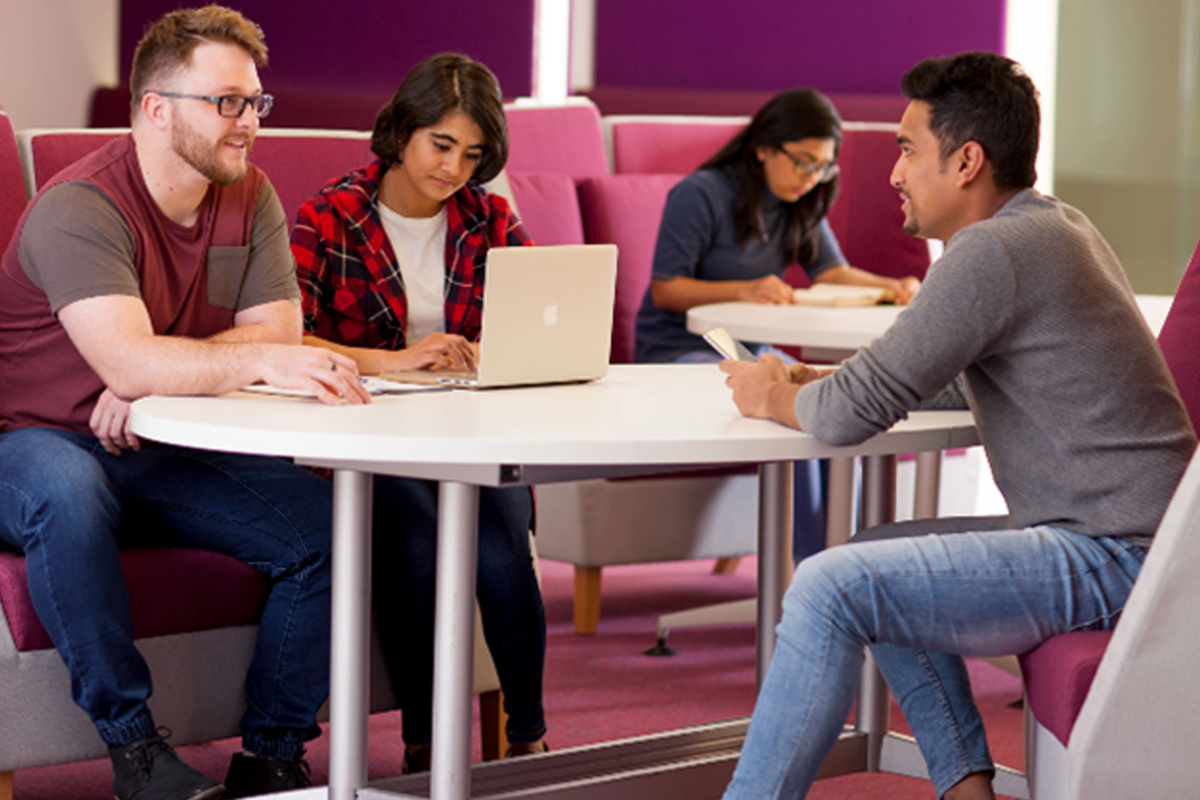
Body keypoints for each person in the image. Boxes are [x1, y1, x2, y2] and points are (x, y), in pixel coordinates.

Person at [718, 52, 1196, 800]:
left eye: (908, 150)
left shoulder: (992, 250)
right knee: (872, 555)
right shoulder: (1051, 225)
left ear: (967, 161)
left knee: (829, 587)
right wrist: (807, 380)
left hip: (1116, 555)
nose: (894, 174)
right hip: (1141, 543)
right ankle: (968, 792)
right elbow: (943, 380)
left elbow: (846, 418)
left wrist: (763, 394)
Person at [0, 7, 372, 800]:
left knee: (332, 527)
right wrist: (171, 364)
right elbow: (151, 357)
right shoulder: (80, 206)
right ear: (156, 108)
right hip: (31, 441)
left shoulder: (249, 193)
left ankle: (271, 755)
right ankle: (134, 751)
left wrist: (152, 372)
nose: (249, 123)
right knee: (68, 491)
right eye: (226, 102)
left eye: (255, 102)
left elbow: (275, 330)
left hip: (151, 444)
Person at [290, 52, 547, 772]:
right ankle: (425, 744)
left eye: (473, 154)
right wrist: (397, 360)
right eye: (441, 145)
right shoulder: (328, 216)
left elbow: (539, 321)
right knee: (420, 539)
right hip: (367, 429)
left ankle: (528, 738)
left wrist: (495, 353)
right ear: (402, 130)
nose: (454, 169)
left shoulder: (490, 218)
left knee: (502, 538)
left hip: (468, 427)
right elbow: (288, 337)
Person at [633, 87, 921, 367]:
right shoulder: (699, 194)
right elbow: (666, 289)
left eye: (822, 168)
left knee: (816, 386)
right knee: (768, 389)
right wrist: (745, 290)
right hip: (678, 348)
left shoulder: (799, 200)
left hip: (747, 349)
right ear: (763, 148)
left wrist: (894, 287)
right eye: (804, 162)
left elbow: (832, 273)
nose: (811, 178)